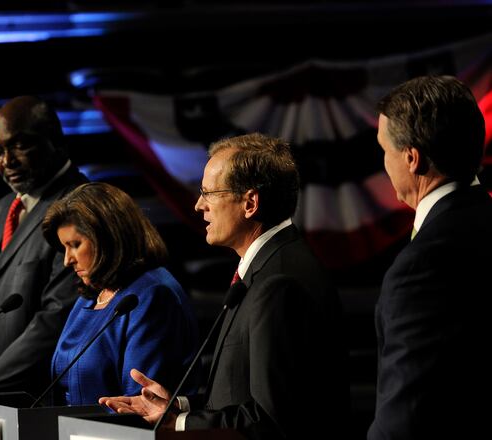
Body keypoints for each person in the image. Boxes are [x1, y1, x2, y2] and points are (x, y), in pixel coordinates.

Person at [99, 133, 347, 438]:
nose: (198, 205)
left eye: (208, 193)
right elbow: (243, 395)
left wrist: (176, 425)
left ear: (250, 203)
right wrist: (178, 407)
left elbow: (270, 418)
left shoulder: (278, 283)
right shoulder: (270, 266)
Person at [368, 75, 490, 439]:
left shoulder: (422, 266)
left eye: (384, 151)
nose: (383, 164)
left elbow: (405, 416)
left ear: (411, 158)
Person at [0, 96, 88, 394]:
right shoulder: (0, 210)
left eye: (20, 146)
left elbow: (55, 317)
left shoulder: (80, 204)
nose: (7, 161)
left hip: (29, 399)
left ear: (55, 142)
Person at [40, 182, 200, 406]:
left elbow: (137, 402)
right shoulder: (91, 295)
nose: (68, 260)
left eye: (75, 245)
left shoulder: (153, 295)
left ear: (107, 237)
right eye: (64, 247)